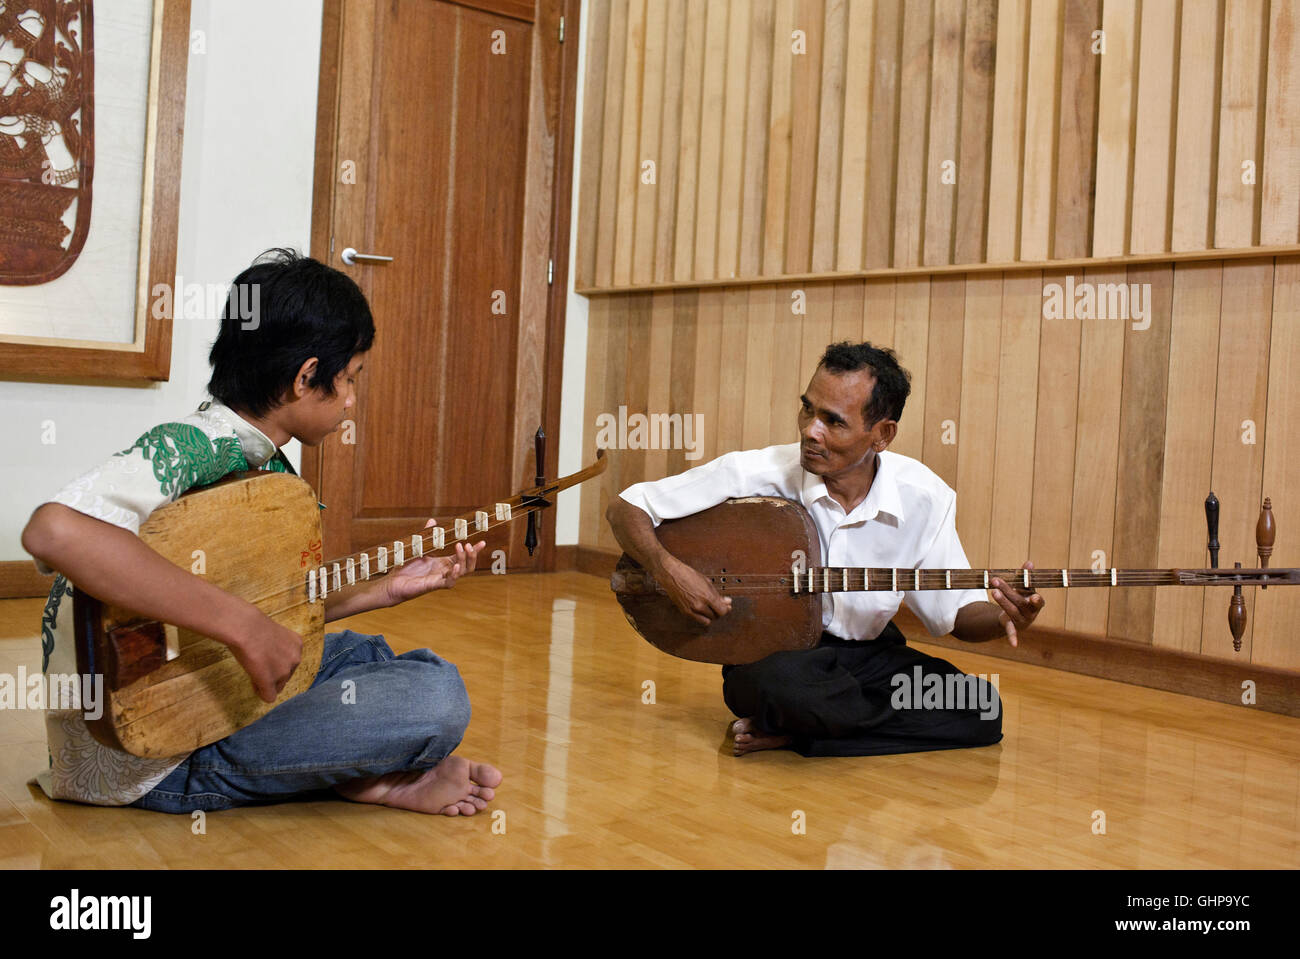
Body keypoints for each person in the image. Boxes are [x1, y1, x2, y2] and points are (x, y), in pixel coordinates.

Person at [21, 249, 502, 815]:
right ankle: (339, 770)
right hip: (150, 744)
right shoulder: (193, 446)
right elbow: (55, 531)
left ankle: (345, 765)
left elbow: (270, 606)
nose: (351, 400)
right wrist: (243, 626)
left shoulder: (264, 463)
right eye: (349, 378)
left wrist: (385, 590)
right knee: (435, 699)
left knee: (364, 655)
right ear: (305, 378)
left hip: (199, 680)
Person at [607, 341, 1044, 758]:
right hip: (777, 661)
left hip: (869, 656)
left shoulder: (924, 497)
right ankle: (817, 722)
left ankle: (803, 735)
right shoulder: (758, 472)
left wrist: (1006, 615)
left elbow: (958, 617)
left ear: (882, 434)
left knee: (980, 707)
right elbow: (627, 509)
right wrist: (668, 570)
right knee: (787, 686)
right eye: (807, 409)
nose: (809, 431)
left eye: (833, 421)